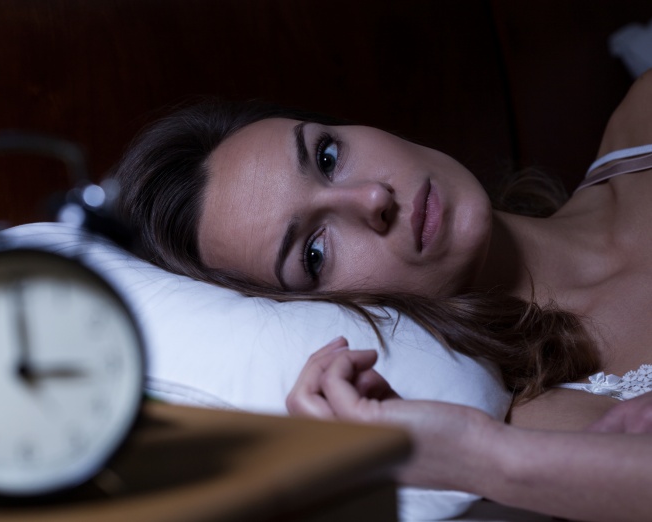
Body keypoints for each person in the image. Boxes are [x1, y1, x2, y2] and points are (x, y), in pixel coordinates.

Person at [114, 71, 652, 521]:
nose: (372, 198)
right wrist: (478, 457)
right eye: (314, 254)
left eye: (327, 157)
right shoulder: (558, 425)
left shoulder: (642, 114)